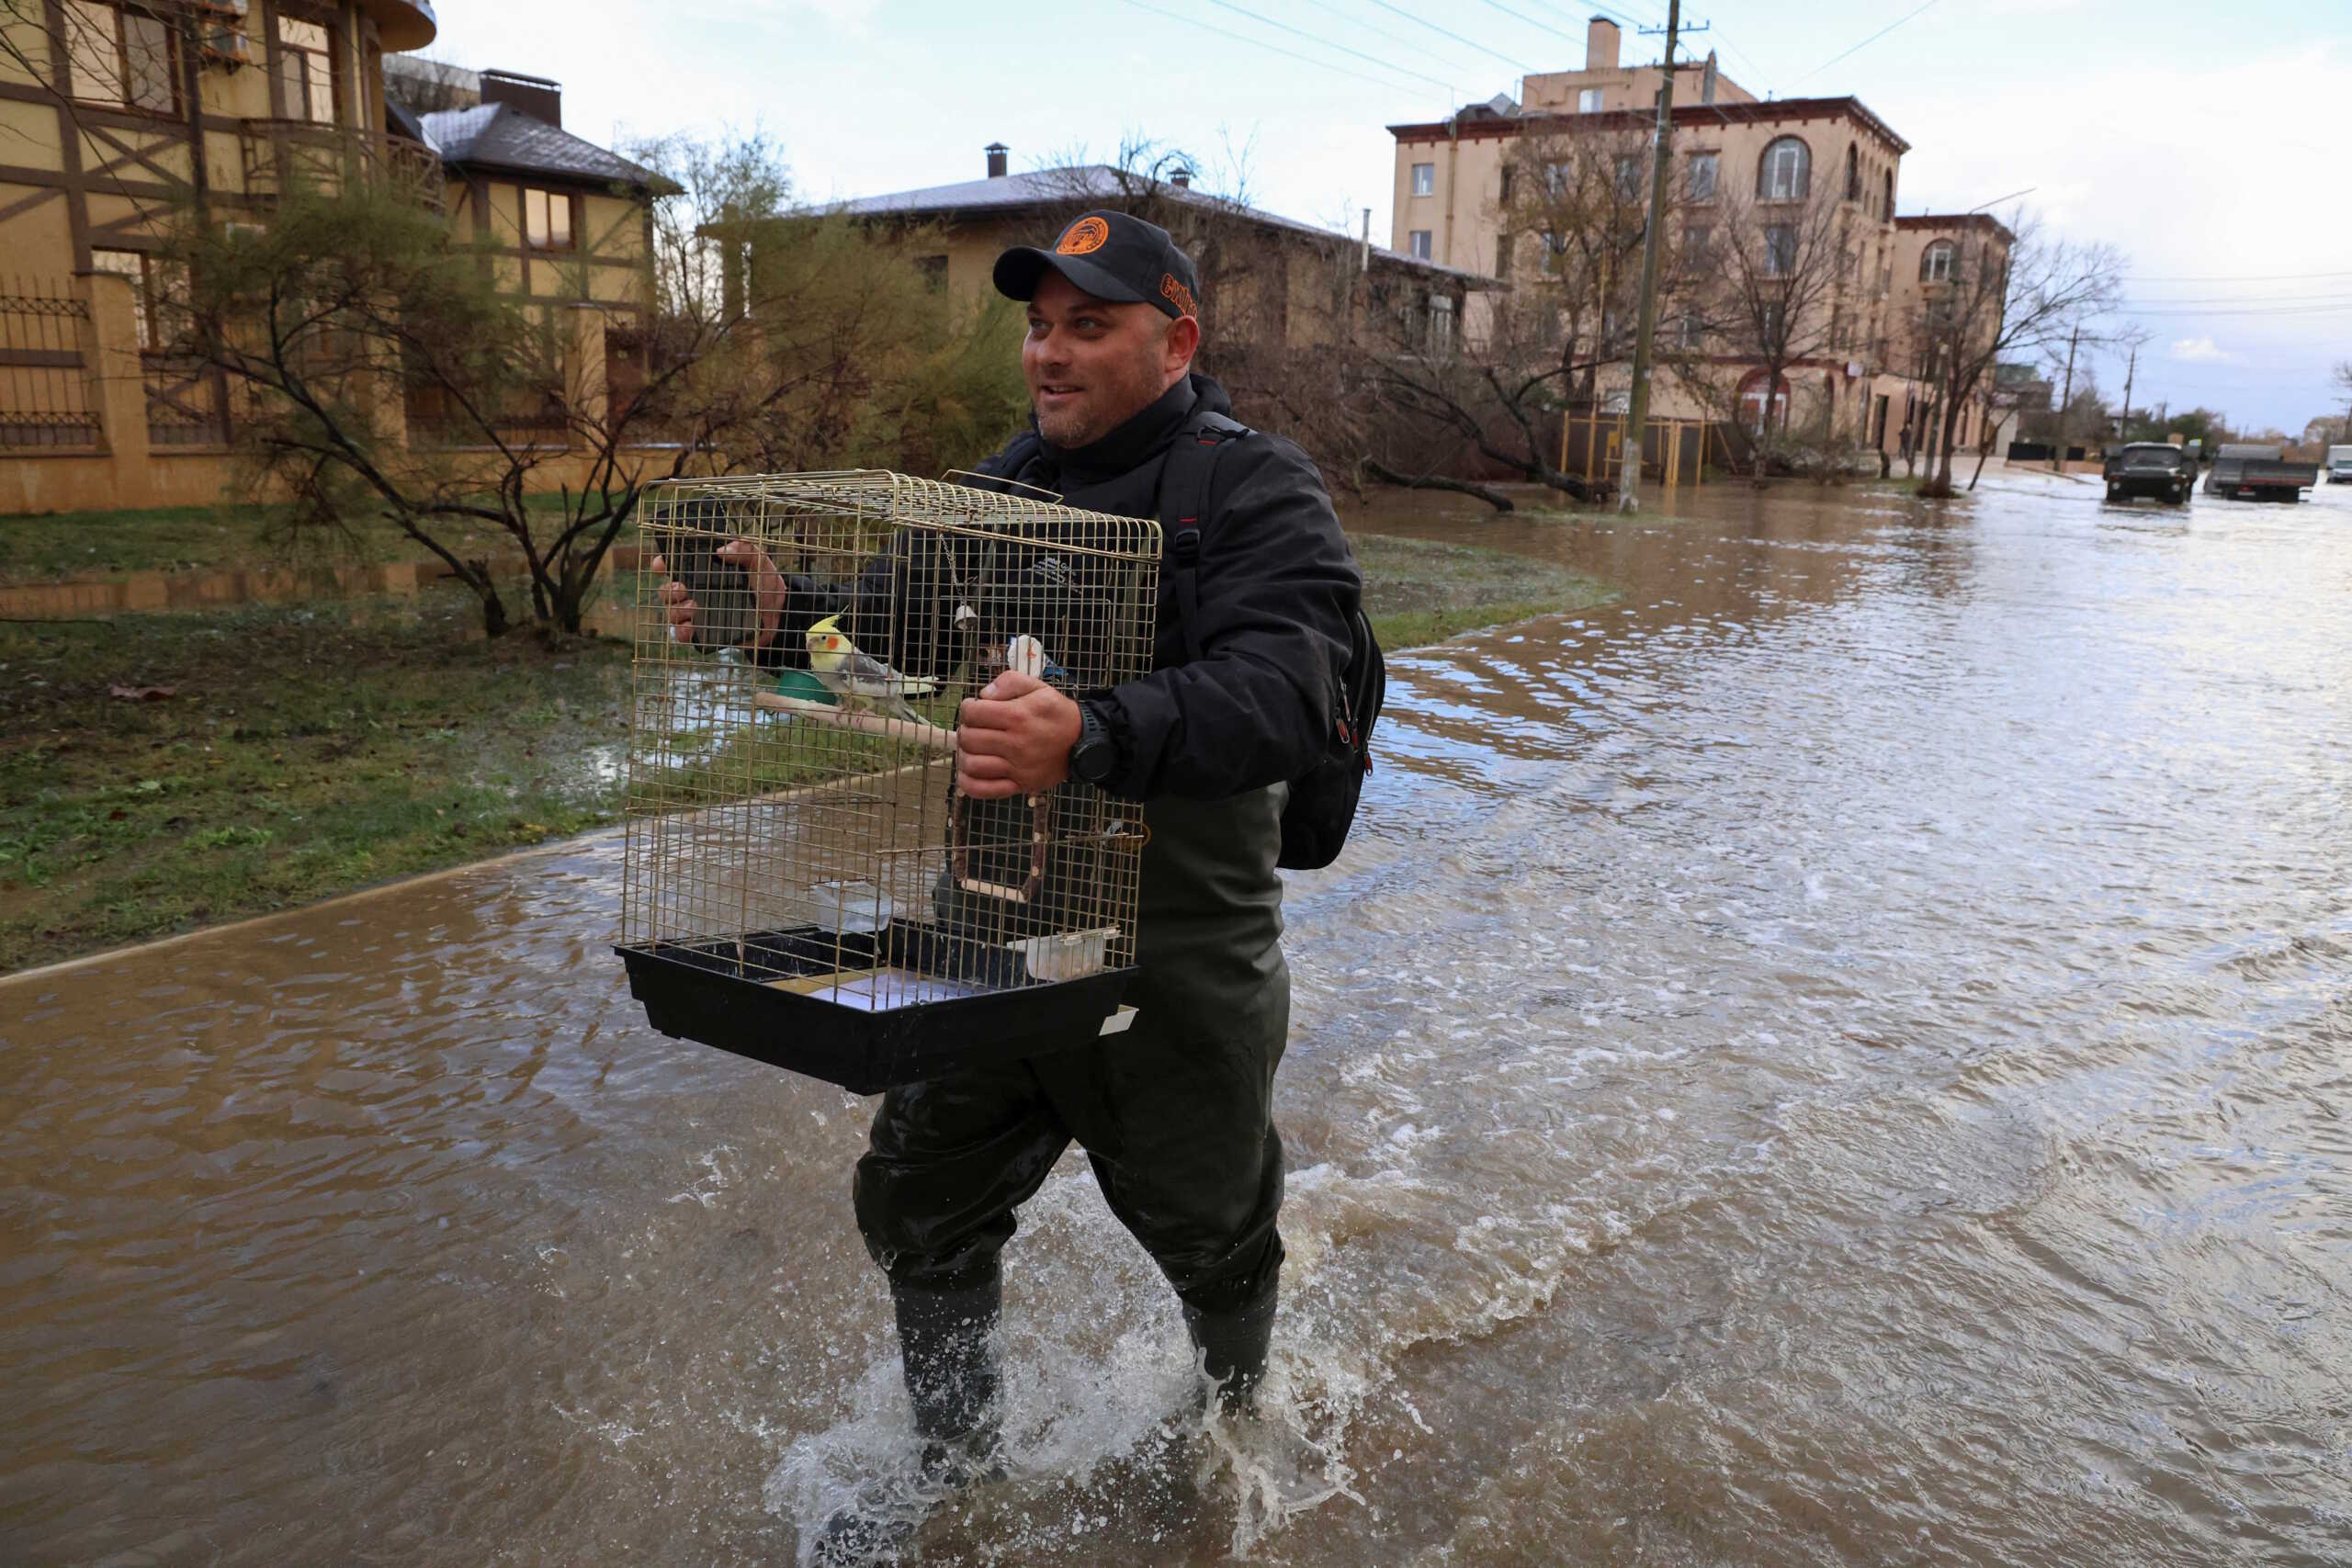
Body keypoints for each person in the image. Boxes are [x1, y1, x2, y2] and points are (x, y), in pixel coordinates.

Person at [658, 209, 1360, 1561]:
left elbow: (1289, 687)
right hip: (984, 931)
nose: (1049, 352)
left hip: (1173, 954)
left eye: (1088, 325)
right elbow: (890, 627)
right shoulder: (1003, 486)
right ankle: (959, 1477)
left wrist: (1089, 735)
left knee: (1214, 1236)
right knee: (920, 1202)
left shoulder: (1251, 490)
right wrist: (779, 614)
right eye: (1039, 325)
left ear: (1176, 340)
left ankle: (1224, 1441)